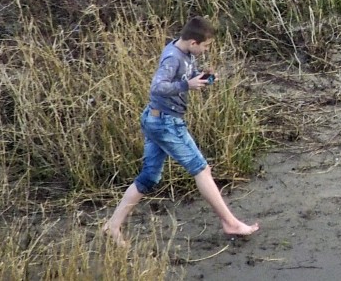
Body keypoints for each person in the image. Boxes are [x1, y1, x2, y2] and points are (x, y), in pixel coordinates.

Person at [102, 16, 258, 245]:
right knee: (202, 170)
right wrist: (187, 85)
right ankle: (230, 223)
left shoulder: (184, 52)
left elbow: (187, 77)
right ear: (193, 43)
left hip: (156, 119)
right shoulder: (172, 57)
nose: (206, 50)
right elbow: (157, 86)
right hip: (165, 122)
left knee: (149, 177)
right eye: (205, 46)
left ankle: (112, 226)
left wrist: (205, 78)